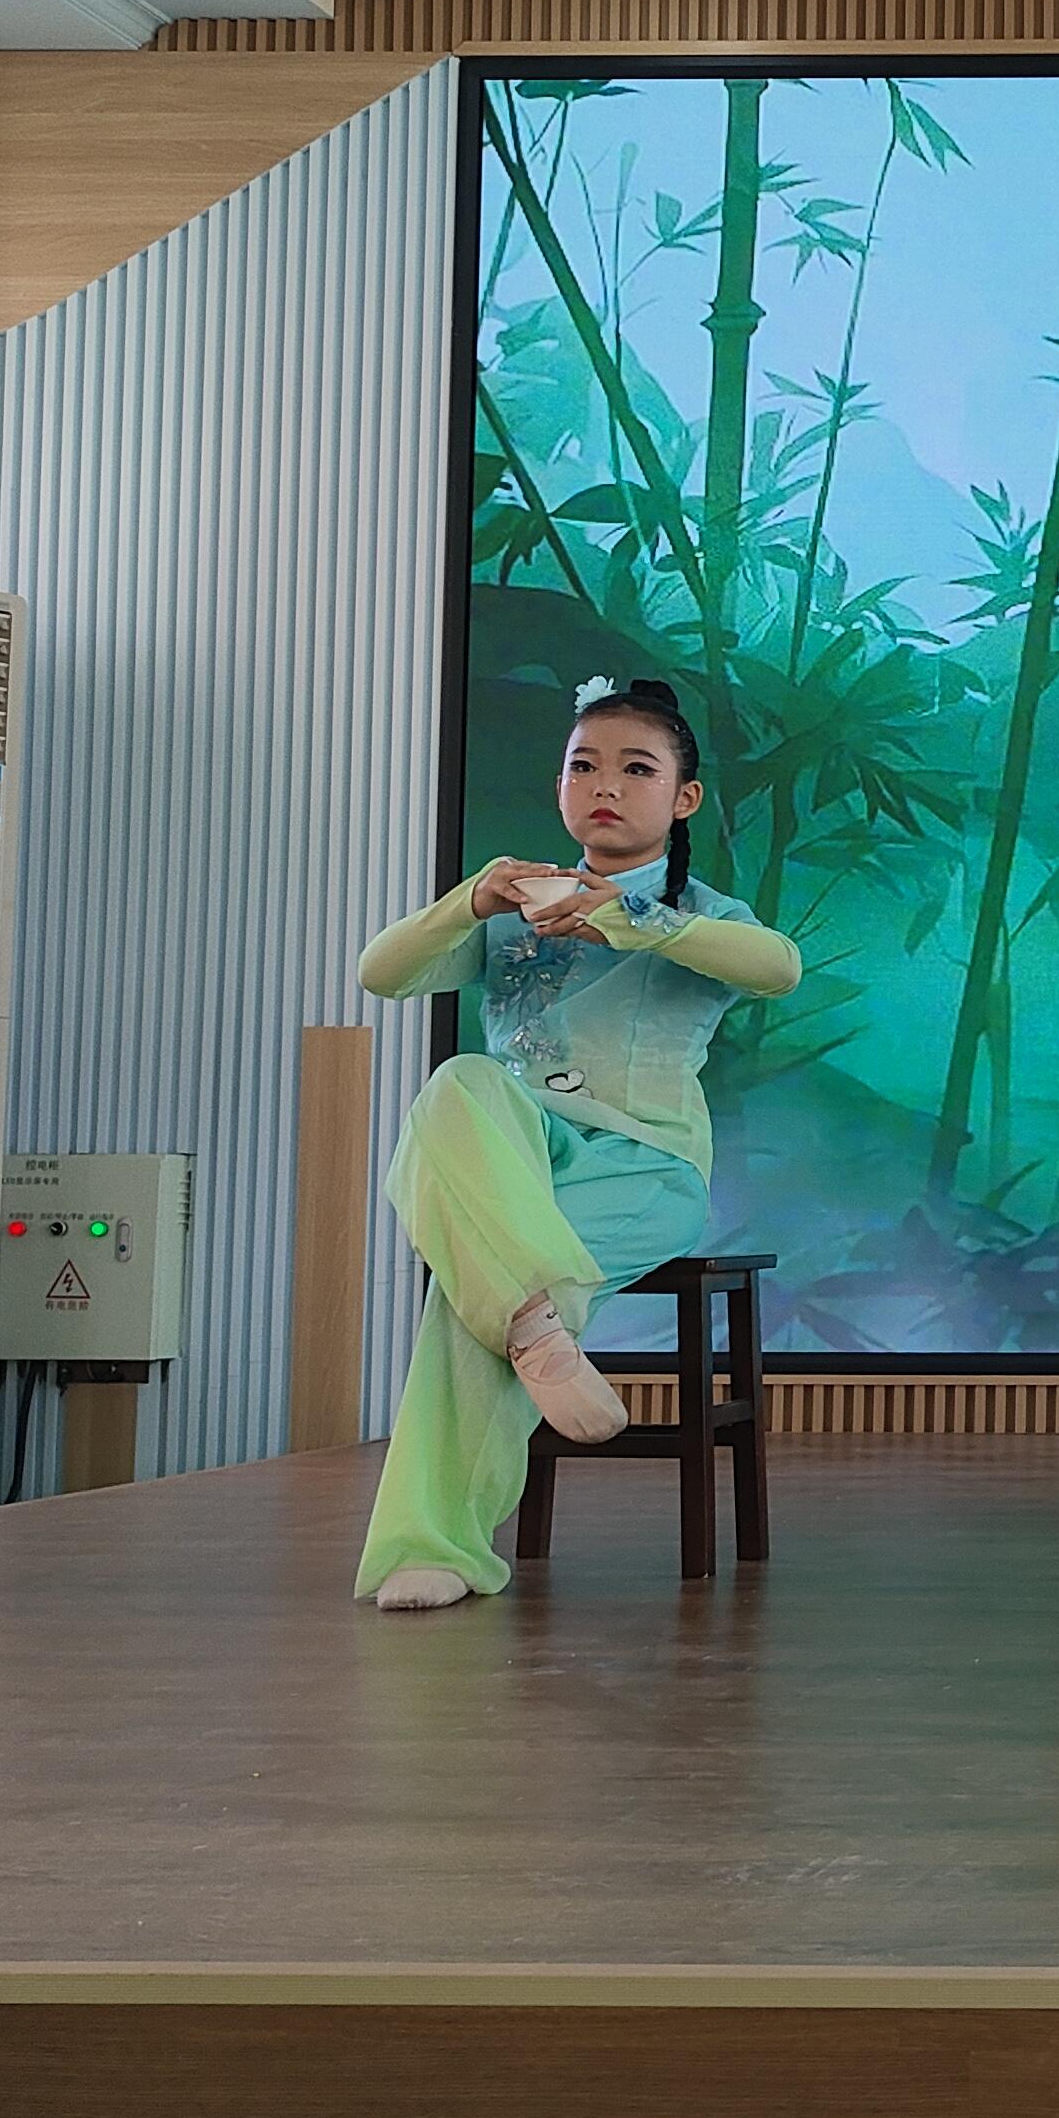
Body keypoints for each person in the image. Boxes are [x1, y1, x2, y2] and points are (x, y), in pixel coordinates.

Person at [347, 677, 799, 1610]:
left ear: (684, 798)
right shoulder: (511, 909)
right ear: (558, 786)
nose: (606, 785)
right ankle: (534, 1330)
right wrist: (469, 902)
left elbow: (779, 968)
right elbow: (381, 975)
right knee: (459, 1081)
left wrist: (636, 922)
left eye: (637, 769)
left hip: (645, 1169)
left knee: (468, 1298)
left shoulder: (698, 913)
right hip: (520, 1164)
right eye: (583, 766)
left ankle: (436, 1544)